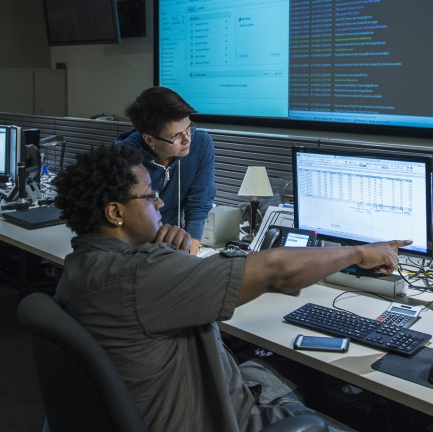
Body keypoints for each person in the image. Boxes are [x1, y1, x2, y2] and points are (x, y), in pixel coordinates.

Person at [52, 145, 409, 431]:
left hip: (167, 403)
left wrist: (168, 257)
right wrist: (360, 252)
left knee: (278, 369)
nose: (160, 203)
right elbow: (276, 271)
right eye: (149, 196)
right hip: (226, 420)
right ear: (115, 212)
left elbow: (151, 298)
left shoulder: (84, 265)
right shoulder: (140, 275)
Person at [115, 86, 215, 255]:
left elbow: (198, 206)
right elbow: (124, 221)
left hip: (175, 245)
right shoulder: (125, 155)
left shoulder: (201, 144)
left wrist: (189, 261)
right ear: (149, 139)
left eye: (188, 128)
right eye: (176, 136)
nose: (187, 140)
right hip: (134, 249)